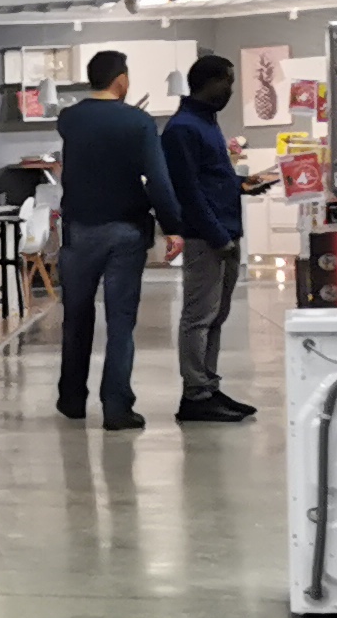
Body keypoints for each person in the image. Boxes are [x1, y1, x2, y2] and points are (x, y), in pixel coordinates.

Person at [53, 48, 185, 429]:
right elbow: (157, 179)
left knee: (76, 317)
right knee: (120, 321)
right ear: (121, 79)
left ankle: (72, 399)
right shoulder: (138, 122)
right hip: (126, 231)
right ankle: (116, 406)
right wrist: (172, 225)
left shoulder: (69, 119)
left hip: (79, 230)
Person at [161, 53, 254, 423]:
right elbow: (187, 190)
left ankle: (209, 386)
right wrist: (217, 235)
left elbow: (212, 178)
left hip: (225, 230)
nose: (230, 90)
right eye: (227, 82)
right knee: (198, 317)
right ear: (208, 82)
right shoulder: (182, 128)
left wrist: (243, 184)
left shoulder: (206, 122)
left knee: (216, 315)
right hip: (207, 237)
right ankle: (195, 394)